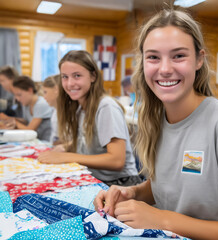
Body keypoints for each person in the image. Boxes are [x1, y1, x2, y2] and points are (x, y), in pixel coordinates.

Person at [94, 9, 218, 240]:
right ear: (143, 64)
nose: (165, 69)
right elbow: (171, 185)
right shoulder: (155, 120)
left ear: (199, 60)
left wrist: (163, 219)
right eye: (154, 57)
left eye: (178, 56)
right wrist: (132, 193)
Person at [38, 50, 141, 187]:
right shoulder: (80, 108)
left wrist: (67, 157)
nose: (69, 84)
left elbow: (116, 161)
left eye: (77, 76)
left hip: (121, 184)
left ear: (93, 76)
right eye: (65, 77)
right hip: (95, 179)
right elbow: (91, 141)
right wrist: (66, 146)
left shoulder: (106, 107)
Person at [0, 75, 52, 141]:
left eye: (19, 95)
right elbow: (26, 121)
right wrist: (9, 119)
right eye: (15, 95)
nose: (17, 99)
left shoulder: (41, 104)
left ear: (30, 90)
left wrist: (14, 122)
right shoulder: (26, 104)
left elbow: (30, 129)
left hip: (46, 141)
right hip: (36, 140)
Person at [42, 74, 61, 144]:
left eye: (45, 92)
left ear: (56, 89)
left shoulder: (67, 113)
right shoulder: (55, 111)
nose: (44, 97)